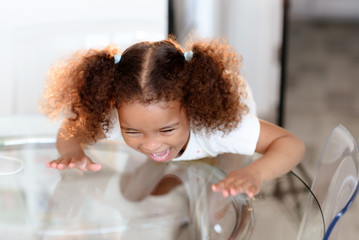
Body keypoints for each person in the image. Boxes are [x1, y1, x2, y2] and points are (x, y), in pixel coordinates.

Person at [40, 38, 305, 199]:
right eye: (132, 132)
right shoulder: (114, 117)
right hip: (183, 147)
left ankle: (196, 175)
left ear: (192, 108)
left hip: (220, 142)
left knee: (216, 211)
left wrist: (253, 173)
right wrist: (73, 151)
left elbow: (290, 143)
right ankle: (183, 179)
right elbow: (70, 130)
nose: (151, 145)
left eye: (166, 130)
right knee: (131, 193)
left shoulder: (222, 129)